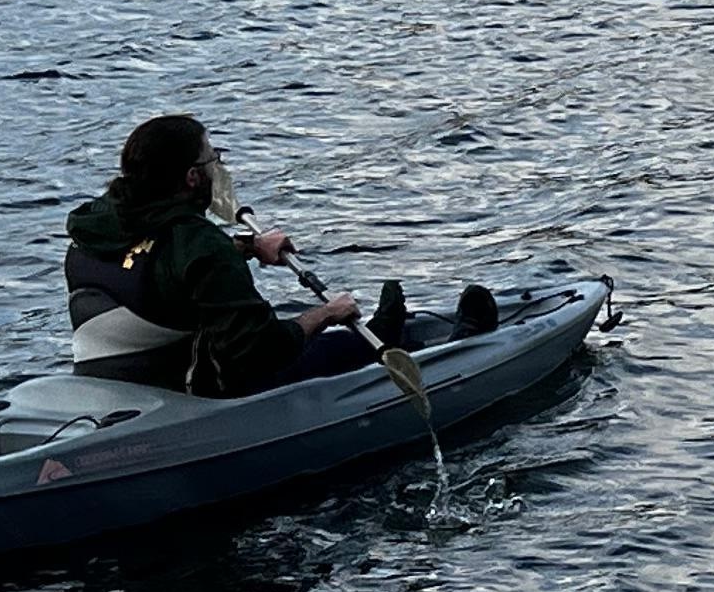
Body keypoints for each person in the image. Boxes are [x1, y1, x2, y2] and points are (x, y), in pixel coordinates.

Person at [61, 115, 484, 395]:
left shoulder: (98, 222)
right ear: (192, 177)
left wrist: (246, 248)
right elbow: (262, 351)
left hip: (114, 381)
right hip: (191, 389)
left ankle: (381, 331)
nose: (217, 167)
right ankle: (463, 347)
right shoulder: (198, 243)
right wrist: (327, 313)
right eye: (213, 158)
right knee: (319, 348)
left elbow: (157, 271)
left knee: (329, 343)